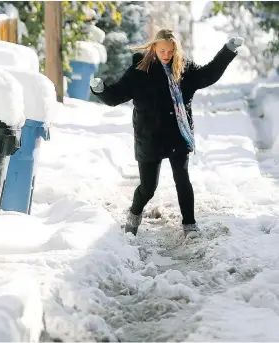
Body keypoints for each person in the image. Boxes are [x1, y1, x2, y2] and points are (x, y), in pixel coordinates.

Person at [90, 29, 244, 238]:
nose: (166, 55)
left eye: (170, 51)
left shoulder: (183, 68)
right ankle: (134, 215)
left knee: (182, 179)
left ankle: (189, 224)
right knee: (148, 188)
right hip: (150, 137)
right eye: (162, 50)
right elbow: (116, 95)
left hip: (177, 134)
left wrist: (228, 51)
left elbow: (208, 74)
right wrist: (100, 90)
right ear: (154, 47)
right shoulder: (139, 72)